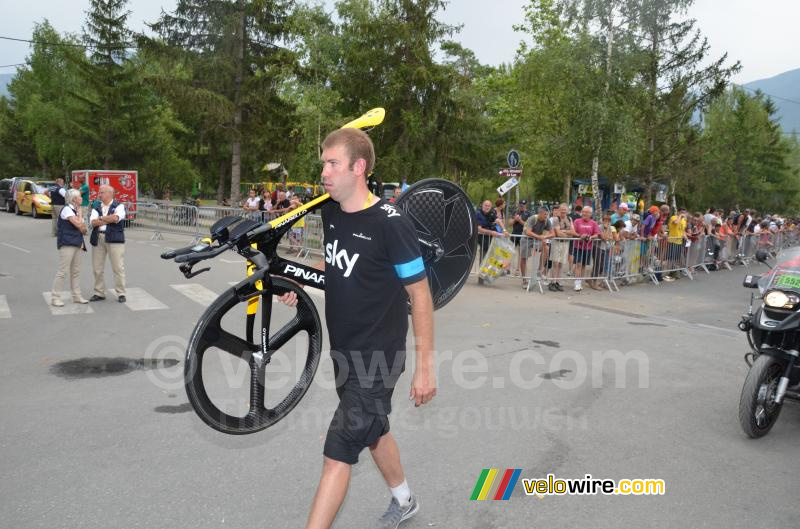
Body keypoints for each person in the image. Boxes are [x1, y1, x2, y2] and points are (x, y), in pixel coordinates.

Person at [278, 127, 434, 529]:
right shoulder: (331, 211)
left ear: (358, 167)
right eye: (323, 164)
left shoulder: (391, 223)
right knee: (373, 430)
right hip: (344, 351)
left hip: (380, 358)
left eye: (332, 164)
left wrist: (425, 367)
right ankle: (405, 499)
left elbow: (420, 295)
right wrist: (299, 280)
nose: (324, 173)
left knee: (338, 449)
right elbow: (334, 263)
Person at [50, 189, 89, 306]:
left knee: (75, 271)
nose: (82, 198)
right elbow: (78, 224)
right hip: (67, 243)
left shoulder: (74, 210)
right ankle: (55, 297)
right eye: (79, 197)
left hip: (77, 242)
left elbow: (83, 229)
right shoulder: (67, 209)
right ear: (74, 199)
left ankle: (76, 296)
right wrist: (80, 214)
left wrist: (80, 220)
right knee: (63, 271)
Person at [89, 185, 127, 303]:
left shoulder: (119, 206)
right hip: (98, 237)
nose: (99, 194)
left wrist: (101, 218)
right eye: (99, 192)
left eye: (102, 192)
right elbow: (93, 223)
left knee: (118, 267)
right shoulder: (96, 206)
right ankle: (99, 292)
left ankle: (121, 293)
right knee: (97, 268)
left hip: (114, 238)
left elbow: (116, 218)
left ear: (110, 193)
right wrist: (107, 218)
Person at [521, 206, 553, 287]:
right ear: (540, 213)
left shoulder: (547, 220)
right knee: (524, 258)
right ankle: (524, 280)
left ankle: (539, 270)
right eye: (545, 214)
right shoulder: (532, 218)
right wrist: (540, 237)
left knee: (546, 248)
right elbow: (528, 232)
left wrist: (544, 237)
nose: (546, 216)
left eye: (547, 214)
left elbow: (553, 233)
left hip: (537, 239)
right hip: (526, 238)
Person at [572, 206, 600, 291]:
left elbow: (597, 234)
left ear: (590, 214)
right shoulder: (577, 221)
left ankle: (580, 282)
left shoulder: (593, 223)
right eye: (583, 212)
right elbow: (573, 231)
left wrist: (591, 237)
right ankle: (576, 283)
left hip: (588, 247)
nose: (584, 213)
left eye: (587, 212)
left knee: (583, 265)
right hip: (578, 246)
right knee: (578, 264)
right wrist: (580, 236)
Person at [548, 204, 574, 291]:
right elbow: (558, 233)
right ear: (559, 210)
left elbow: (573, 232)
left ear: (567, 211)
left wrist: (564, 232)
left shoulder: (570, 219)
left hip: (565, 244)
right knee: (555, 263)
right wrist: (567, 233)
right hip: (557, 243)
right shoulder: (556, 219)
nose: (563, 211)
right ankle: (552, 282)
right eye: (561, 209)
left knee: (561, 264)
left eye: (565, 210)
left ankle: (558, 282)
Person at [509, 200, 532, 278]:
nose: (521, 207)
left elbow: (528, 225)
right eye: (520, 205)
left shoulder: (529, 213)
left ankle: (518, 270)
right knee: (509, 251)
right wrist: (515, 219)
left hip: (523, 235)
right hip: (514, 234)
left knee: (521, 253)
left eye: (523, 205)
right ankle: (506, 268)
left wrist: (520, 220)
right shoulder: (515, 212)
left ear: (526, 206)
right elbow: (510, 223)